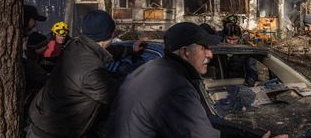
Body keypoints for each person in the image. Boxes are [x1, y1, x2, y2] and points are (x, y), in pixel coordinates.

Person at [107, 22, 286, 138]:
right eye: (204, 48)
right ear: (185, 52)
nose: (210, 54)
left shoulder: (154, 70)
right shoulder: (174, 87)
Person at [27, 10, 122, 138]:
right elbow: (115, 94)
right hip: (55, 133)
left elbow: (98, 51)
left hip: (41, 122)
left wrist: (129, 49)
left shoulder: (74, 46)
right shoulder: (91, 71)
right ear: (111, 34)